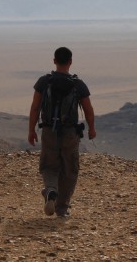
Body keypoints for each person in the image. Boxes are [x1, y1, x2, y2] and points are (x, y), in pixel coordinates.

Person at [28, 47, 96, 217]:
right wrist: (92, 128)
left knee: (49, 165)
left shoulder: (44, 82)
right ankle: (62, 207)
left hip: (49, 130)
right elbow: (88, 110)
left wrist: (31, 130)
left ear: (54, 61)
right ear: (70, 62)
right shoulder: (78, 84)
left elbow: (35, 108)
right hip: (70, 132)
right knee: (70, 169)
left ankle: (51, 190)